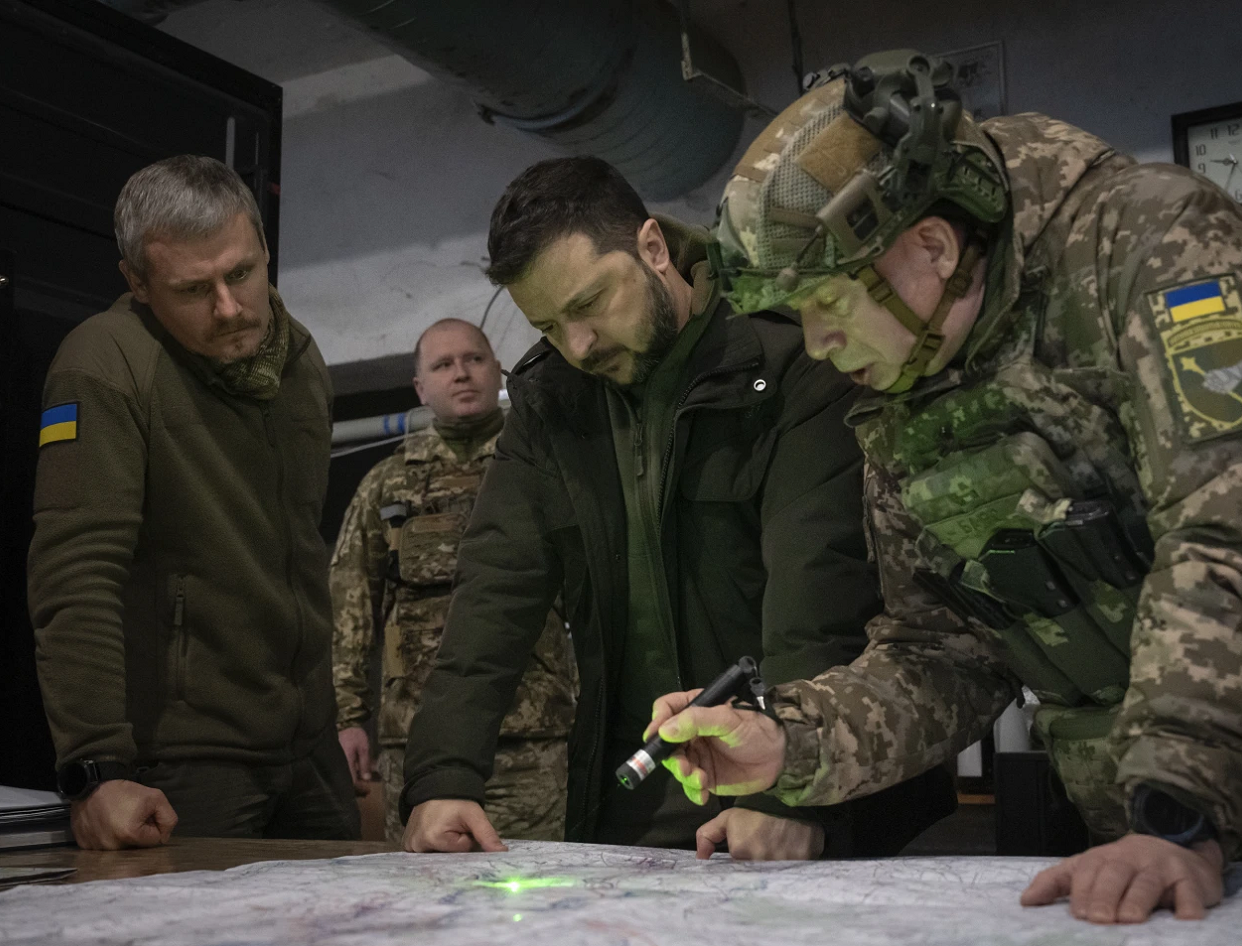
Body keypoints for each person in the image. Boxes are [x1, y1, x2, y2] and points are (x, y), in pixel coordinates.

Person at [644, 50, 1242, 921]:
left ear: (929, 245)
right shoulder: (908, 382)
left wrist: (1177, 803)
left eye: (829, 305)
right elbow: (944, 650)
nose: (816, 345)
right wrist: (790, 740)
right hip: (1148, 836)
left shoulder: (1152, 244)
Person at [400, 156, 955, 858]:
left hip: (817, 794)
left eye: (588, 303)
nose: (577, 344)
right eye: (547, 325)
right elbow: (493, 590)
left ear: (653, 248)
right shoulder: (553, 403)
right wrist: (442, 776)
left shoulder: (787, 357)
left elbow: (818, 590)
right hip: (640, 801)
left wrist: (783, 789)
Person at [28, 156, 358, 848]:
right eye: (193, 288)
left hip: (310, 752)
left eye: (241, 273)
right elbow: (75, 571)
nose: (230, 307)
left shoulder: (302, 361)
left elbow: (301, 551)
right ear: (138, 284)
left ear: (265, 251)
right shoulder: (103, 362)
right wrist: (94, 768)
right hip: (185, 763)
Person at [331, 317, 577, 845]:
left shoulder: (548, 466)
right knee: (427, 901)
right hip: (417, 739)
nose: (461, 374)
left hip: (532, 736)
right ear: (420, 388)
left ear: (498, 370)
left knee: (544, 893)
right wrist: (349, 717)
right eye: (443, 365)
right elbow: (351, 604)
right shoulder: (386, 484)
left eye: (474, 359)